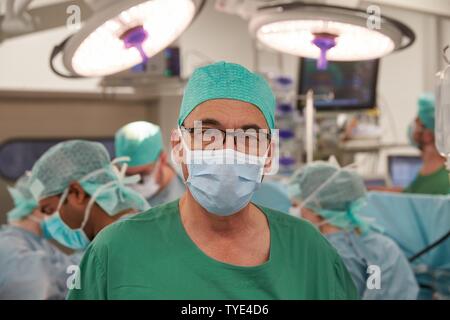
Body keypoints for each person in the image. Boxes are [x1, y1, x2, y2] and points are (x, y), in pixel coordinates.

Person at [68, 61, 357, 300]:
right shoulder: (116, 252)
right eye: (208, 133)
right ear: (178, 146)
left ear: (269, 154)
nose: (227, 151)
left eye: (249, 136)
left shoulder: (310, 253)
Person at [288, 162, 419, 300]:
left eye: (295, 205)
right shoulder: (383, 246)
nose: (293, 211)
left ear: (316, 206)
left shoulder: (324, 254)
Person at [28, 140, 150, 252]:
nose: (48, 223)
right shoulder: (118, 239)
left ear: (77, 193)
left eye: (48, 210)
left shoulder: (125, 245)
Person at [0, 173, 81, 299]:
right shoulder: (10, 247)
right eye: (58, 207)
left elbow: (69, 272)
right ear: (40, 207)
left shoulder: (40, 245)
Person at [370, 93, 450, 194]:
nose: (412, 127)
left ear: (428, 135)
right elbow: (408, 195)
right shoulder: (429, 172)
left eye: (417, 122)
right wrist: (368, 191)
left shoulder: (442, 181)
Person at [115, 121, 185, 207]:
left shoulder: (186, 192)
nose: (135, 183)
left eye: (143, 174)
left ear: (162, 159)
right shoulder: (117, 196)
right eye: (128, 175)